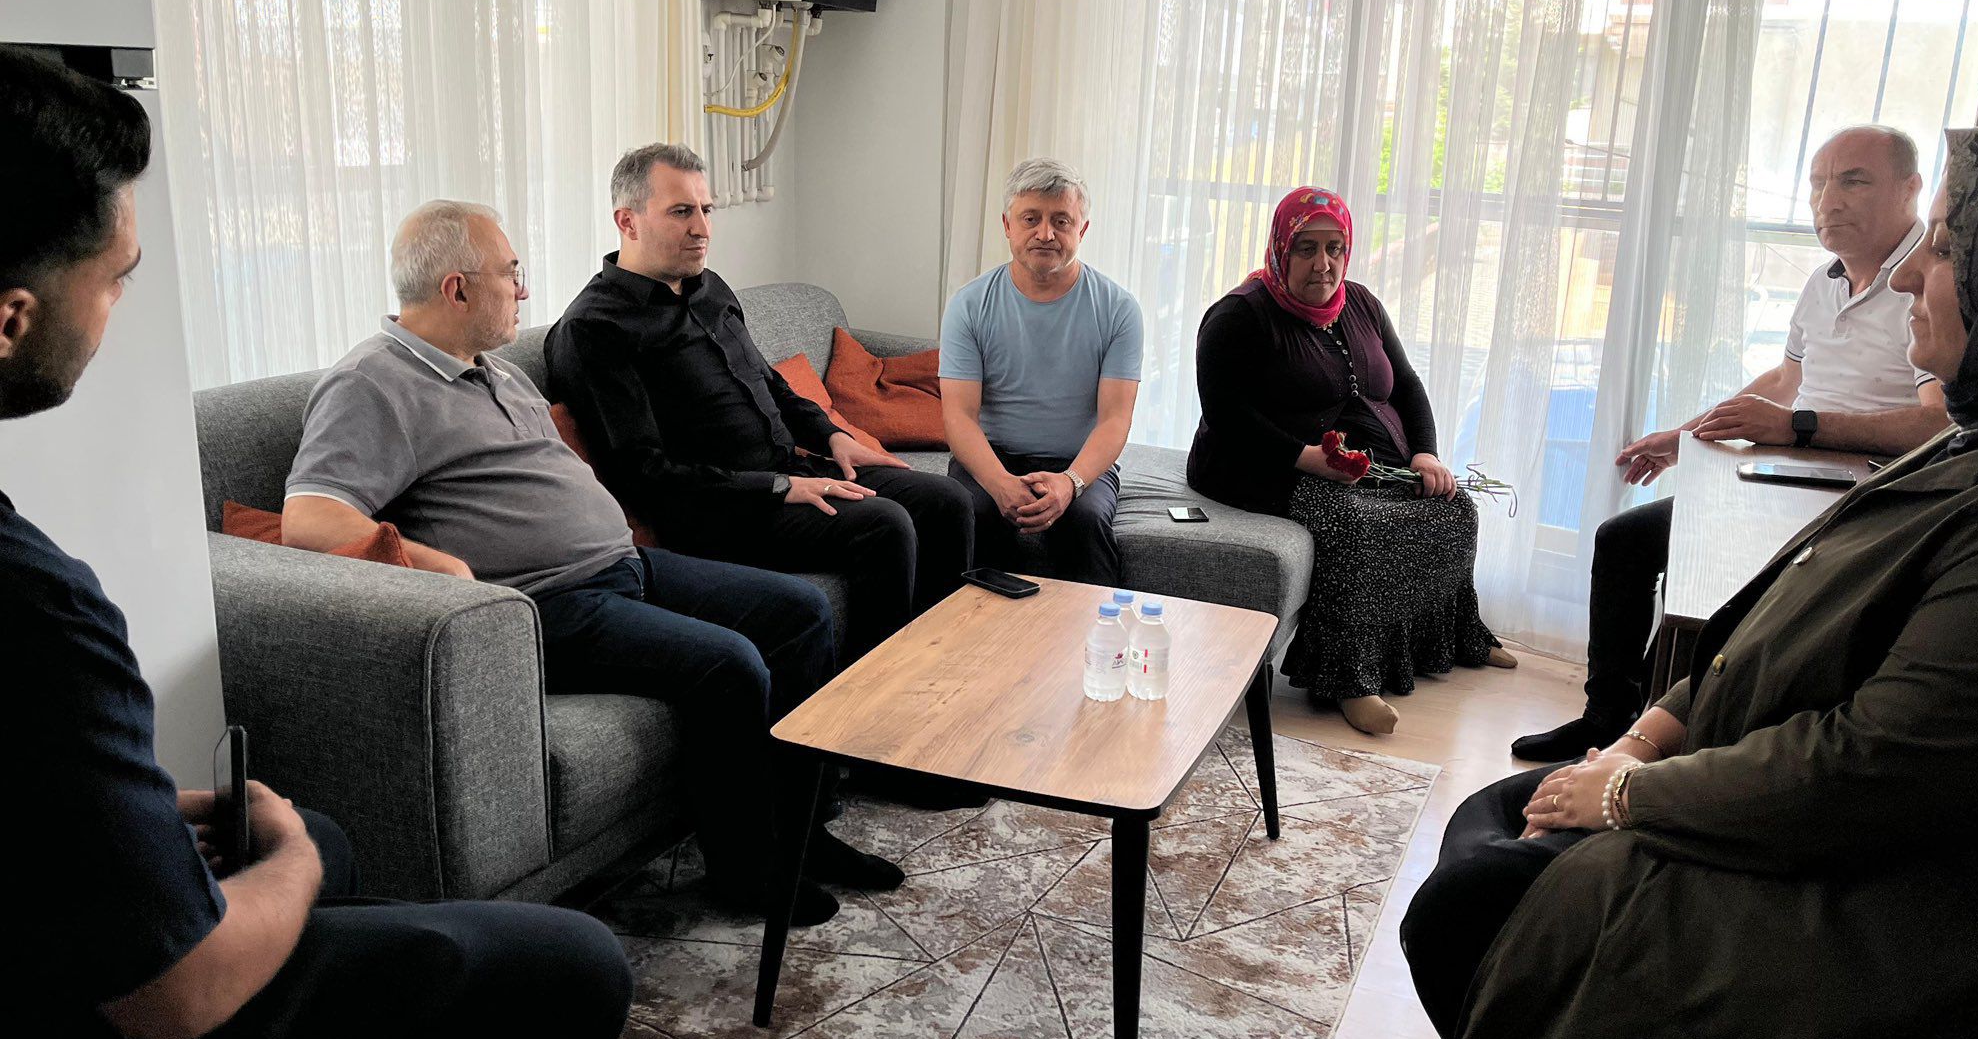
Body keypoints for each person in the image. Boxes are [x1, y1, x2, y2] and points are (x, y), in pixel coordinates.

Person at [0, 45, 631, 1039]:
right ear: (11, 313)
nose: (121, 313)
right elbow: (175, 994)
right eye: (118, 280)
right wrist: (280, 859)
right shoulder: (36, 609)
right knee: (564, 964)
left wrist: (134, 819)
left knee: (334, 846)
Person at [1400, 114, 1978, 1039]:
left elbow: (1866, 770)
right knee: (1489, 833)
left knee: (1468, 910)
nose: (1919, 282)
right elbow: (1771, 637)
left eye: (1950, 253)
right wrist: (1641, 735)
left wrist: (1629, 796)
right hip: (1796, 818)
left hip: (1883, 910)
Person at [281, 199, 898, 923]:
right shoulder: (370, 384)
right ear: (457, 289)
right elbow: (309, 519)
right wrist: (441, 570)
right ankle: (748, 872)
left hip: (622, 565)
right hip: (547, 602)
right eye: (511, 273)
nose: (524, 290)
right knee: (729, 664)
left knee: (799, 612)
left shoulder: (493, 370)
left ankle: (802, 833)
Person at [1511, 125, 1952, 763]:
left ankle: (1658, 747)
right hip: (1789, 478)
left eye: (1853, 182)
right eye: (1818, 183)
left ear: (1911, 188)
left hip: (1864, 502)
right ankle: (1605, 719)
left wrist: (1801, 426)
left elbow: (1938, 422)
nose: (1828, 201)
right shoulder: (1823, 280)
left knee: (1706, 583)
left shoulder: (1924, 289)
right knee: (1625, 540)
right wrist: (1686, 436)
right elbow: (1784, 381)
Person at [545, 142, 974, 663]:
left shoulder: (709, 289)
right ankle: (875, 692)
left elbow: (769, 384)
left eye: (706, 210)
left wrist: (833, 436)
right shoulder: (593, 328)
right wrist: (779, 488)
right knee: (884, 525)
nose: (702, 228)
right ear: (627, 221)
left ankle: (942, 664)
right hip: (721, 511)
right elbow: (643, 473)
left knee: (946, 500)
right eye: (681, 212)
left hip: (791, 469)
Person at [1187, 186, 1514, 737]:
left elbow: (1406, 384)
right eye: (1306, 248)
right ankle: (1348, 679)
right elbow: (1225, 414)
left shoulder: (1361, 303)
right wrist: (1305, 458)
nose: (1323, 263)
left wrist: (1424, 452)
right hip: (1259, 464)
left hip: (1362, 463)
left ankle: (1455, 638)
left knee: (1455, 509)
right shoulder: (1239, 316)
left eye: (1334, 248)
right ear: (1281, 248)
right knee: (1351, 524)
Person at [939, 157, 1140, 586]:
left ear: (1082, 230)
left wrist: (1070, 483)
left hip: (1078, 462)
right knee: (974, 514)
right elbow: (958, 416)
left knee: (1085, 522)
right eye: (1030, 219)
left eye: (1061, 221)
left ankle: (1094, 629)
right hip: (990, 457)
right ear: (1007, 225)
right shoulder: (968, 305)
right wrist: (1000, 483)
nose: (1045, 234)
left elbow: (1115, 420)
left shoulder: (1119, 309)